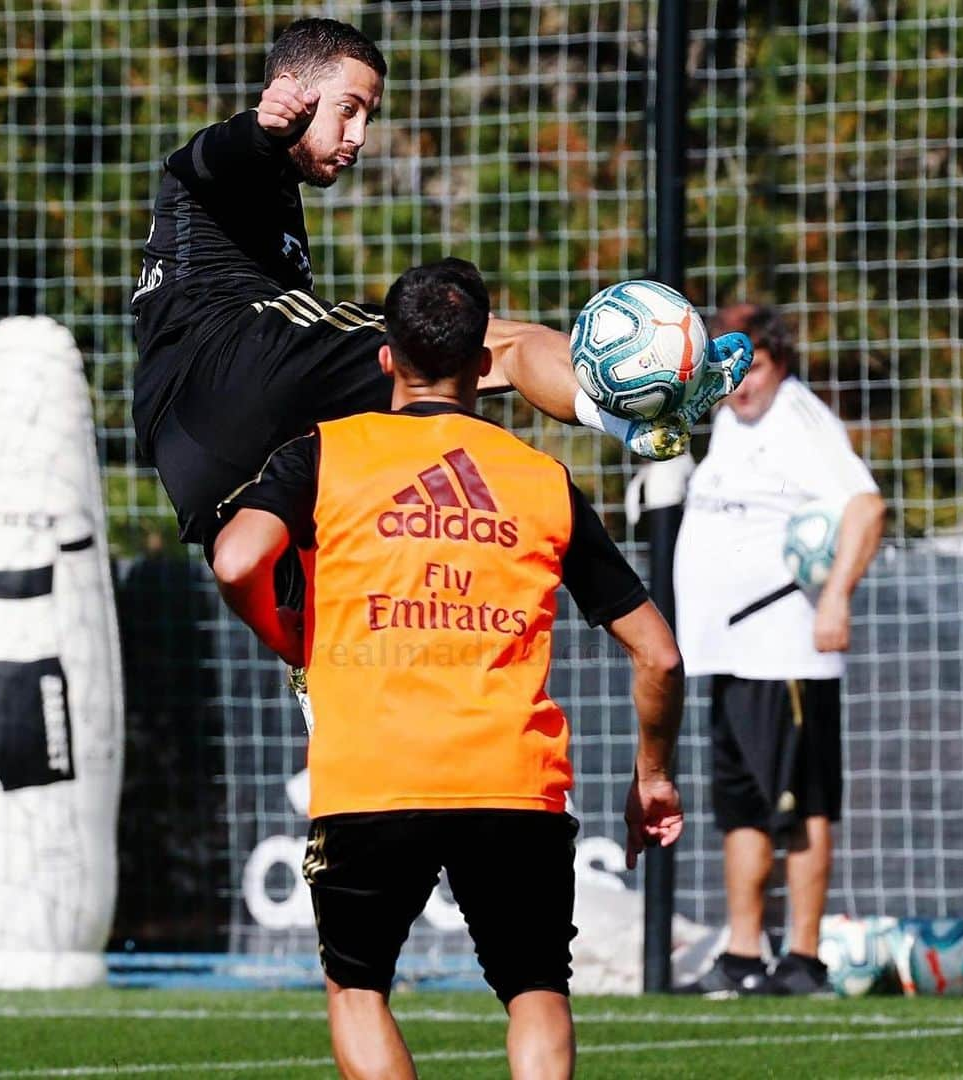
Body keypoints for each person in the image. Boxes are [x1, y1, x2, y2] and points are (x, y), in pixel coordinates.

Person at [212, 258, 685, 1079]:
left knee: (358, 988)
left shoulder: (325, 453)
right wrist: (652, 778)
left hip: (372, 778)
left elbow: (235, 559)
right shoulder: (543, 481)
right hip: (510, 779)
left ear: (386, 358)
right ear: (482, 365)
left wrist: (289, 635)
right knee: (536, 988)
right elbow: (659, 652)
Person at [131, 16, 751, 593]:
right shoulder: (227, 164)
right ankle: (629, 415)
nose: (359, 136)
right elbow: (208, 158)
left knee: (323, 619)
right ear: (292, 90)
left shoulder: (267, 208)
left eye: (368, 117)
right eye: (348, 111)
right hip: (234, 365)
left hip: (197, 466)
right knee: (496, 344)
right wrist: (259, 126)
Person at [673, 303, 885, 996]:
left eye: (754, 366)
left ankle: (804, 957)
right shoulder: (729, 418)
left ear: (781, 362)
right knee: (741, 807)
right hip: (728, 651)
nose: (742, 382)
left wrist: (835, 597)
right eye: (731, 366)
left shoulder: (798, 418)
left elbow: (864, 504)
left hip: (784, 649)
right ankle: (742, 954)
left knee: (801, 806)